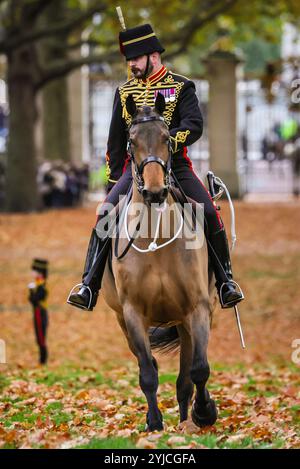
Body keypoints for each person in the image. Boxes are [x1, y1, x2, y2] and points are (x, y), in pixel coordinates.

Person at [68, 23, 244, 311]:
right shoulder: (124, 92)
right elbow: (115, 142)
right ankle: (89, 285)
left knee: (209, 212)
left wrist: (165, 143)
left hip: (176, 165)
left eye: (135, 59)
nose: (131, 65)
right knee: (105, 215)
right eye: (128, 60)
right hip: (134, 170)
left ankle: (225, 282)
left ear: (153, 56)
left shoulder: (181, 86)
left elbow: (194, 125)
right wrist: (113, 183)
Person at [28, 259, 49, 364]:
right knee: (39, 337)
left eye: (34, 270)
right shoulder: (38, 284)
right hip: (37, 312)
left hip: (40, 313)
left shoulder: (42, 285)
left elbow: (35, 300)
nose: (32, 273)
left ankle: (43, 361)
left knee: (41, 338)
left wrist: (32, 292)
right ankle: (41, 360)